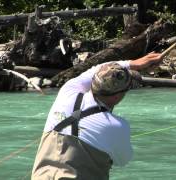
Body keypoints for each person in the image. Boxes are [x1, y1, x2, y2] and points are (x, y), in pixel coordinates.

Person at [31, 53, 163, 180]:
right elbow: (123, 161)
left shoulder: (68, 90)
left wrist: (132, 63)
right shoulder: (117, 126)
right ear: (117, 96)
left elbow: (96, 69)